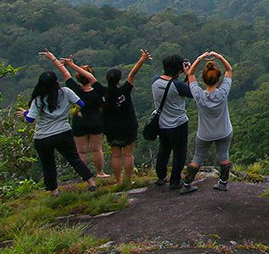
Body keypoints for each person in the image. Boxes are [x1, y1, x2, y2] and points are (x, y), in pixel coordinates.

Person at [19, 50, 98, 194]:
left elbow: (30, 119)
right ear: (56, 81)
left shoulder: (38, 99)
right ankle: (91, 182)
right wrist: (71, 111)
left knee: (48, 164)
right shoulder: (66, 92)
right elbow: (81, 103)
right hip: (63, 131)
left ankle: (54, 191)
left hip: (43, 137)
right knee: (74, 159)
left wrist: (25, 112)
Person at [180, 51, 234, 193]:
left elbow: (190, 75)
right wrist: (219, 57)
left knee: (198, 158)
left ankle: (186, 185)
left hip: (205, 134)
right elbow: (229, 70)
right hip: (224, 131)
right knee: (224, 156)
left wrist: (199, 59)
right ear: (218, 79)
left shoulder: (198, 95)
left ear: (203, 80)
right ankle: (223, 183)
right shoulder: (223, 93)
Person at [103, 49, 152, 185]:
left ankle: (118, 180)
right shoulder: (125, 90)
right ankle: (128, 180)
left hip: (112, 128)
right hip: (128, 126)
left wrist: (71, 65)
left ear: (106, 79)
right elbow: (133, 73)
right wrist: (142, 59)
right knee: (128, 154)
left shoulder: (104, 93)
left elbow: (90, 78)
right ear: (120, 79)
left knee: (116, 155)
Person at [61, 58, 110, 178]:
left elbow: (66, 74)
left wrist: (55, 60)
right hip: (96, 121)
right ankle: (100, 172)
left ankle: (84, 175)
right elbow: (102, 108)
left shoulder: (75, 90)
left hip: (79, 122)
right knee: (97, 149)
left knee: (81, 151)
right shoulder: (98, 91)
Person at [153, 54, 194, 190]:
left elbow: (176, 86)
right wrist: (189, 74)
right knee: (179, 153)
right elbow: (192, 92)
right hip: (179, 124)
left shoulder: (155, 81)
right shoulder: (177, 85)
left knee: (163, 150)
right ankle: (175, 181)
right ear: (179, 69)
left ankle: (161, 177)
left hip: (162, 124)